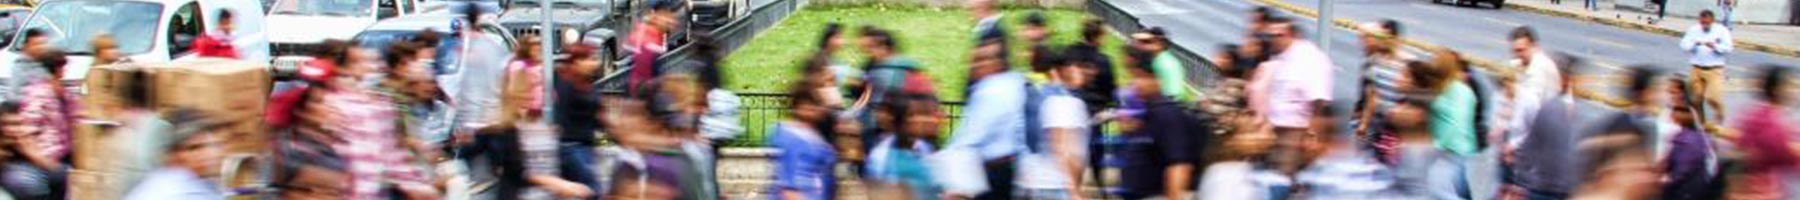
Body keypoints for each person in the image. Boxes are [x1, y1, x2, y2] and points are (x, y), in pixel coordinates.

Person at [938, 38, 1028, 200]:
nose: (976, 66)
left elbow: (971, 136)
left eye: (982, 60)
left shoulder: (990, 90)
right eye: (974, 60)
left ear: (998, 62)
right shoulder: (1015, 84)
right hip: (1008, 169)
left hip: (989, 171)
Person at [1117, 54, 1208, 200]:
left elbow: (1179, 166)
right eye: (1134, 77)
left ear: (1158, 79)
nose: (1135, 84)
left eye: (1142, 77)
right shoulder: (1149, 113)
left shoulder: (1168, 116)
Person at [1506, 57, 1592, 200]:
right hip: (1548, 190)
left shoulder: (1556, 109)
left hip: (1553, 190)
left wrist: (1520, 182)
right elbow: (1530, 149)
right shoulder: (1554, 110)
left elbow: (1529, 150)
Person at [1014, 52, 1091, 199]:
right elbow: (1062, 147)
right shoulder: (1063, 100)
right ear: (1064, 70)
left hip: (1032, 179)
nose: (1086, 72)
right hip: (1054, 185)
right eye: (1080, 67)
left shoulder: (1037, 94)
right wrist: (1074, 191)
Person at [1248, 17, 1335, 136]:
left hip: (1296, 132)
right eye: (1270, 36)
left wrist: (1312, 133)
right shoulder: (1281, 57)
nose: (1272, 40)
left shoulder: (1309, 58)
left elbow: (1319, 100)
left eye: (1278, 35)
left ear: (1290, 34)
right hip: (1275, 129)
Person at [121, 110, 230, 200]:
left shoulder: (200, 183)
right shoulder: (177, 191)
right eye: (194, 148)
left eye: (213, 145)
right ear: (175, 154)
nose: (208, 154)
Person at [1725, 65, 1798, 199]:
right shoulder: (1774, 122)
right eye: (1791, 86)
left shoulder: (1755, 113)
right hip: (1759, 193)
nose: (1795, 92)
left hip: (1745, 189)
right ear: (1777, 90)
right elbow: (1788, 155)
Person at [1383, 93, 1465, 199]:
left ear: (1419, 115)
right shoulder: (1405, 148)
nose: (1394, 110)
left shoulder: (1435, 159)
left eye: (1404, 106)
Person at [770, 76, 840, 200]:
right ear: (799, 108)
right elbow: (788, 186)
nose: (817, 110)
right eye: (812, 105)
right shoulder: (790, 137)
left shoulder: (815, 138)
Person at [1354, 20, 1414, 159]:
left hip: (1397, 125)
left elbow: (1414, 96)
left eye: (1384, 38)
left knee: (1392, 161)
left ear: (1396, 39)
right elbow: (1372, 95)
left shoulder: (1407, 63)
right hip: (1377, 121)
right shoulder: (1375, 61)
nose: (1381, 42)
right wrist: (1364, 124)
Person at [866, 94, 944, 200]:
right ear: (901, 121)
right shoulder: (881, 156)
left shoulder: (924, 148)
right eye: (913, 115)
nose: (922, 120)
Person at [1658, 78, 1723, 200]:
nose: (1670, 95)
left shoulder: (1690, 117)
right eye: (1669, 92)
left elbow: (1684, 168)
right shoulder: (1665, 112)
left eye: (1674, 92)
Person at [453, 6, 515, 133]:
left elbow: (462, 86)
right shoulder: (493, 46)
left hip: (474, 120)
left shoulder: (466, 47)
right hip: (491, 118)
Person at [14, 49, 72, 165]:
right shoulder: (39, 93)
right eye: (63, 67)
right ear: (57, 69)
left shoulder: (60, 91)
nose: (65, 70)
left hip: (63, 150)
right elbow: (28, 126)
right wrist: (39, 158)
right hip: (49, 155)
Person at [0, 103, 65, 200]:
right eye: (6, 124)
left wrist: (34, 155)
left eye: (18, 124)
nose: (12, 129)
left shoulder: (28, 143)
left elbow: (60, 175)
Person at [1681, 10, 1733, 122]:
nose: (1704, 25)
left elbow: (1728, 48)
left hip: (1714, 69)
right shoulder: (1694, 29)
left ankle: (1720, 114)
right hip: (1696, 68)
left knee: (1712, 97)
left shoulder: (1721, 31)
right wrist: (1694, 44)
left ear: (1712, 21)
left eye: (1707, 23)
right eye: (1702, 23)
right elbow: (1684, 45)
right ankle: (1702, 123)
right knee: (1695, 99)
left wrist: (1715, 46)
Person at [627, 0, 682, 96]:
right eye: (669, 17)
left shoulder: (655, 34)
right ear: (658, 15)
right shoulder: (649, 40)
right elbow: (643, 81)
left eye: (674, 18)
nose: (673, 22)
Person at [1131, 27, 1192, 102]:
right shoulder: (1165, 59)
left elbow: (1171, 94)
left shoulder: (1162, 63)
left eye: (1146, 42)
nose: (1140, 45)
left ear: (1160, 44)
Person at [6, 28, 50, 100]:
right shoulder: (20, 66)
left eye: (43, 44)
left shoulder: (47, 63)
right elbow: (16, 95)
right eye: (36, 45)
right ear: (27, 46)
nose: (40, 48)